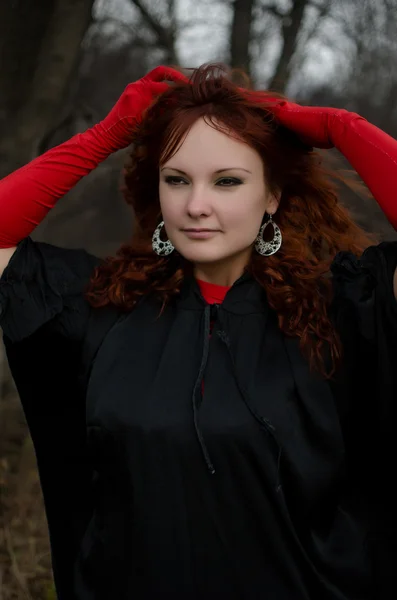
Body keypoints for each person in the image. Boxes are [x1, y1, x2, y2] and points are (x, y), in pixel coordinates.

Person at [0, 63, 396, 600]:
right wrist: (108, 135)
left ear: (272, 195)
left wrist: (338, 126)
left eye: (227, 181)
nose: (196, 206)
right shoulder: (99, 307)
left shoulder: (343, 310)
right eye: (177, 179)